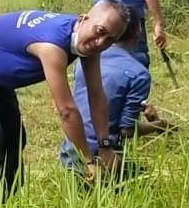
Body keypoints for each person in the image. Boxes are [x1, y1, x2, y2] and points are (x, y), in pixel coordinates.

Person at [0, 1, 139, 196]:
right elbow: (66, 111)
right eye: (100, 31)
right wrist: (87, 161)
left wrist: (105, 147)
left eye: (110, 40)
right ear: (83, 19)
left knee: (13, 140)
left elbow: (96, 95)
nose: (100, 43)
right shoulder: (52, 46)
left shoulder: (86, 41)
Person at [57, 43, 150, 178]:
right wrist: (160, 126)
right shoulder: (139, 73)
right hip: (101, 157)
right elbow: (126, 131)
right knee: (147, 182)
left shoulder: (86, 59)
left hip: (69, 153)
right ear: (138, 33)